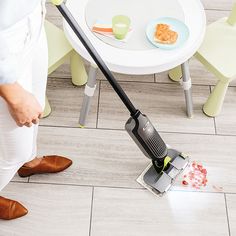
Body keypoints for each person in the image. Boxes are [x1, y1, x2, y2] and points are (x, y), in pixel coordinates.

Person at [0, 0, 73, 220]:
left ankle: (28, 162)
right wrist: (13, 94)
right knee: (14, 149)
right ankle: (21, 158)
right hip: (5, 47)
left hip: (31, 21)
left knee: (37, 105)